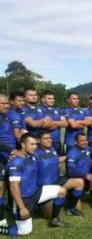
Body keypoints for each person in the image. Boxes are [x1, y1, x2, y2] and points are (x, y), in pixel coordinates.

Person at [6, 133, 67, 236]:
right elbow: (13, 186)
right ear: (23, 145)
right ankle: (4, 229)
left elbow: (52, 160)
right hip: (24, 199)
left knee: (61, 190)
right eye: (31, 144)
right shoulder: (16, 162)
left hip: (36, 192)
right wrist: (21, 208)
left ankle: (54, 219)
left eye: (35, 144)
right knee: (25, 232)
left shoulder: (32, 156)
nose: (34, 147)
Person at [35, 130, 84, 219]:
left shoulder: (52, 149)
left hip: (57, 180)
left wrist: (70, 156)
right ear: (38, 140)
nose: (49, 140)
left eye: (50, 138)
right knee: (48, 214)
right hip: (44, 187)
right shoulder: (34, 153)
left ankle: (71, 209)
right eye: (45, 138)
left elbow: (56, 160)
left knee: (79, 182)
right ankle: (39, 206)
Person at [0, 94, 20, 227]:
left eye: (7, 103)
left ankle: (10, 209)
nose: (6, 105)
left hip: (7, 156)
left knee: (8, 183)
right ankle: (1, 218)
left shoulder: (5, 117)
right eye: (2, 103)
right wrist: (11, 151)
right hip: (2, 155)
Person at [65, 132, 92, 216]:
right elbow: (70, 172)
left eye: (86, 140)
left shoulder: (87, 149)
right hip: (76, 179)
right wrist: (85, 175)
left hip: (85, 178)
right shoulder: (72, 153)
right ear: (76, 142)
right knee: (78, 208)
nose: (85, 142)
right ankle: (70, 206)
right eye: (82, 141)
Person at [40, 90, 68, 155]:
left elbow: (65, 123)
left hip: (57, 142)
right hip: (44, 142)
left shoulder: (58, 110)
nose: (52, 100)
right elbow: (45, 125)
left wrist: (51, 122)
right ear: (43, 99)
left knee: (58, 162)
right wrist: (58, 123)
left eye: (53, 98)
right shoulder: (40, 110)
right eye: (49, 98)